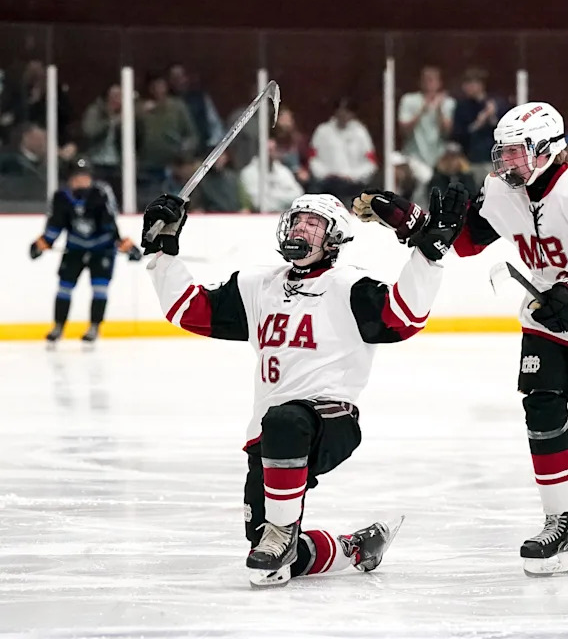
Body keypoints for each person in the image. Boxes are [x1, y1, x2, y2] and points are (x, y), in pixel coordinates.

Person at [372, 102, 568, 577]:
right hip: (543, 320)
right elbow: (468, 242)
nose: (507, 163)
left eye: (517, 153)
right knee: (542, 409)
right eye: (504, 153)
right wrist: (418, 222)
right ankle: (560, 522)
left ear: (549, 150)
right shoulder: (499, 189)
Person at [140, 181, 468, 588]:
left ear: (334, 239)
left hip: (330, 420)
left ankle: (282, 534)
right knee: (271, 564)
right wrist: (161, 251)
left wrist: (428, 256)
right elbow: (187, 308)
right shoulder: (259, 284)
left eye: (314, 224)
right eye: (297, 221)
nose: (301, 230)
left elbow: (404, 318)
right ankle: (354, 548)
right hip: (269, 431)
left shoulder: (349, 285)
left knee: (284, 422)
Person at [29, 157, 142, 344]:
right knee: (64, 286)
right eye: (77, 176)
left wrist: (122, 244)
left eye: (85, 176)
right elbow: (56, 224)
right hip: (75, 248)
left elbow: (109, 222)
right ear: (70, 178)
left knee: (100, 288)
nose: (82, 180)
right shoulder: (61, 197)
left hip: (102, 248)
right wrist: (43, 243)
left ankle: (94, 327)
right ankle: (58, 327)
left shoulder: (101, 193)